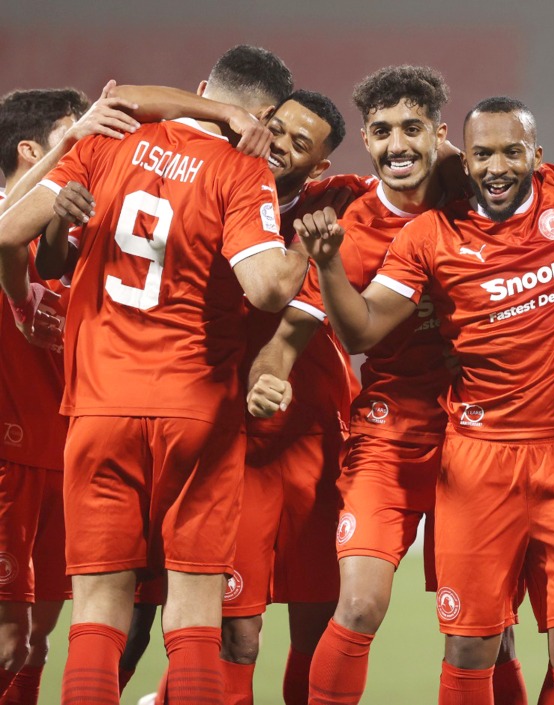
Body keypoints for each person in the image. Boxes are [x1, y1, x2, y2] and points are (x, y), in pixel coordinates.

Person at [297, 93, 554, 704]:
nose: (497, 167)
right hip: (480, 460)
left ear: (537, 154)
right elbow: (363, 329)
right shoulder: (429, 236)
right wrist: (331, 265)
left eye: (511, 151)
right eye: (483, 155)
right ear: (462, 161)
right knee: (472, 643)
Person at [0, 44, 309, 705]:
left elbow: (8, 237)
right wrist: (303, 252)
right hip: (198, 411)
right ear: (267, 115)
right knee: (194, 617)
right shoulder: (243, 167)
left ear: (204, 88)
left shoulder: (110, 137)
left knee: (98, 614)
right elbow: (263, 288)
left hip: (99, 407)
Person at [261, 66, 525, 705]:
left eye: (412, 129)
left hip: (481, 438)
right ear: (366, 144)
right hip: (392, 434)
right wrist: (266, 377)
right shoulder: (354, 224)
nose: (397, 145)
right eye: (381, 132)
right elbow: (293, 331)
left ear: (439, 134)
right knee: (358, 606)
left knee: (491, 633)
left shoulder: (481, 187)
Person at [221, 88, 365, 705]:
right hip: (229, 441)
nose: (278, 145)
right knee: (236, 633)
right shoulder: (211, 186)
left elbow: (419, 178)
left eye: (299, 144)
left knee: (316, 629)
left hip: (316, 438)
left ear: (320, 166)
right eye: (274, 129)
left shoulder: (340, 202)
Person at [0, 84, 141, 705]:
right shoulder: (8, 224)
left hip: (70, 457)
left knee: (37, 640)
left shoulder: (72, 228)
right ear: (32, 150)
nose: (91, 143)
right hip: (7, 459)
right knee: (6, 640)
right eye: (73, 133)